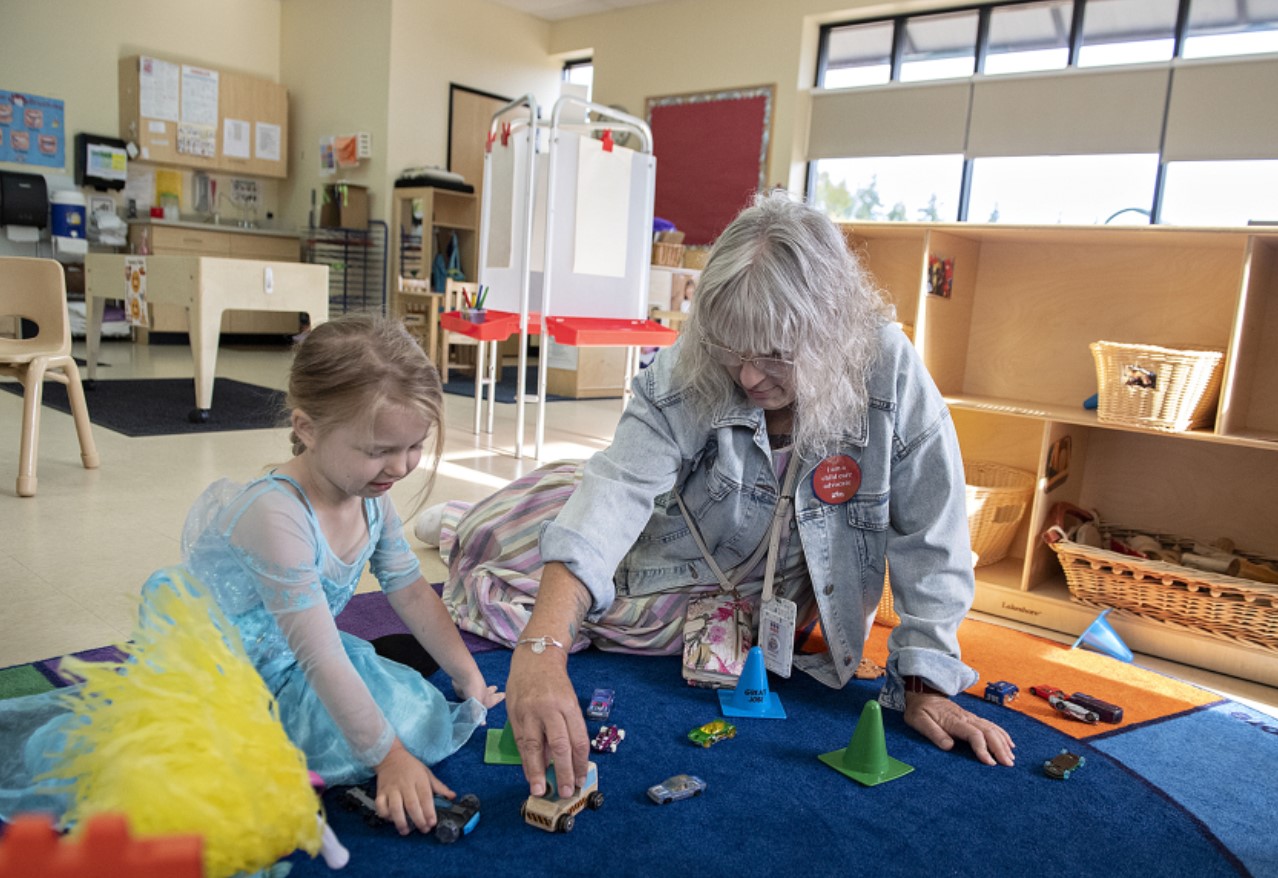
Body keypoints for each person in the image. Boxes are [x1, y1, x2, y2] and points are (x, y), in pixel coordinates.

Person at [427, 191, 1014, 800]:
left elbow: (933, 533)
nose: (748, 377)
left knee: (632, 620)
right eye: (732, 353)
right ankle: (461, 521)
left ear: (830, 330)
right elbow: (620, 486)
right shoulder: (695, 359)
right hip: (673, 549)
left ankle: (464, 522)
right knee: (520, 549)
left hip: (764, 593)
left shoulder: (889, 366)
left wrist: (928, 682)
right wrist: (544, 647)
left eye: (774, 358)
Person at [0, 314, 502, 836]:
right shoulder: (275, 513)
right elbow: (321, 654)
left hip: (290, 664)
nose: (400, 468)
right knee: (219, 787)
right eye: (379, 451)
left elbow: (413, 592)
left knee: (414, 712)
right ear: (306, 428)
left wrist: (469, 679)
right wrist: (389, 758)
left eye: (414, 446)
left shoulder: (371, 498)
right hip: (219, 680)